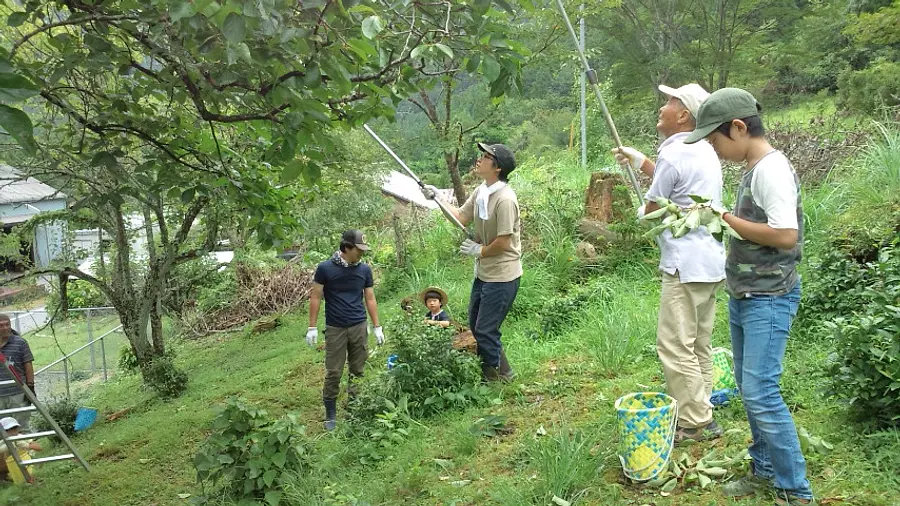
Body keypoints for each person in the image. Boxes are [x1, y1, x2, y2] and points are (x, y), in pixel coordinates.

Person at [684, 88, 813, 506]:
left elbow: (785, 234)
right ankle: (765, 467)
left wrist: (724, 217)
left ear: (739, 127)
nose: (713, 147)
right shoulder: (753, 166)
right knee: (747, 384)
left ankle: (796, 492)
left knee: (761, 391)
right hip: (747, 294)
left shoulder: (771, 170)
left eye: (715, 139)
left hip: (769, 297)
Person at [611, 83, 726, 444]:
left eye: (671, 101)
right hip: (709, 261)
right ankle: (701, 407)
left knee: (675, 345)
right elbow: (676, 183)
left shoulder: (676, 155)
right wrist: (641, 161)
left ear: (684, 116)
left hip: (683, 266)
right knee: (699, 344)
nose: (664, 106)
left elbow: (655, 208)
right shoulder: (704, 149)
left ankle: (695, 422)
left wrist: (642, 213)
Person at [422, 142, 521, 382]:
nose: (480, 159)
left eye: (486, 157)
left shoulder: (505, 199)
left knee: (486, 329)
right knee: (478, 327)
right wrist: (436, 198)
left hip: (503, 275)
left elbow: (505, 242)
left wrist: (480, 250)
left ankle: (496, 378)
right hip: (484, 273)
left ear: (497, 168)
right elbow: (460, 217)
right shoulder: (481, 192)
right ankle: (502, 373)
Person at [306, 230, 385, 431]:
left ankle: (354, 410)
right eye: (358, 250)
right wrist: (312, 327)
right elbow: (316, 296)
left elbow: (370, 298)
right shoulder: (325, 268)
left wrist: (377, 326)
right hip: (335, 328)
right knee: (334, 372)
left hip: (358, 325)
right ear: (346, 247)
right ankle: (331, 414)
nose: (361, 253)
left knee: (358, 370)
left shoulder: (364, 270)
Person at [0, 314, 34, 433]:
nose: (5, 328)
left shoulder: (20, 343)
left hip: (18, 392)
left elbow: (28, 365)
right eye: (1, 325)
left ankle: (28, 451)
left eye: (7, 324)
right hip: (0, 394)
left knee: (22, 427)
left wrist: (30, 387)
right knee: (3, 431)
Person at [0, 416, 41, 481]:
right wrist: (7, 449)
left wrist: (26, 445)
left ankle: (33, 481)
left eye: (14, 428)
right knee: (20, 480)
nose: (12, 432)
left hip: (27, 462)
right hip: (13, 467)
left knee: (32, 476)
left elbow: (39, 448)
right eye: (8, 430)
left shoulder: (21, 437)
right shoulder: (3, 443)